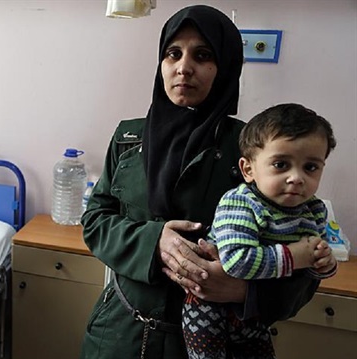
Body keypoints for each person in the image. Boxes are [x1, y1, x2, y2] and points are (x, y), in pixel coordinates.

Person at [80, 5, 326, 359]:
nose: (184, 67)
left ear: (224, 67)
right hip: (121, 333)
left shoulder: (255, 151)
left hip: (214, 342)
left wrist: (244, 292)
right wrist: (154, 242)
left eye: (203, 55)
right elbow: (96, 220)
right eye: (172, 53)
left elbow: (304, 256)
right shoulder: (128, 138)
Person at [181, 103, 338, 359]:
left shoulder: (314, 210)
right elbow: (236, 262)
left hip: (256, 311)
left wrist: (322, 262)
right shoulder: (241, 202)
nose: (296, 178)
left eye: (310, 167)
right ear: (248, 169)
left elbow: (307, 271)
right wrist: (295, 256)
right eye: (280, 164)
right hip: (209, 310)